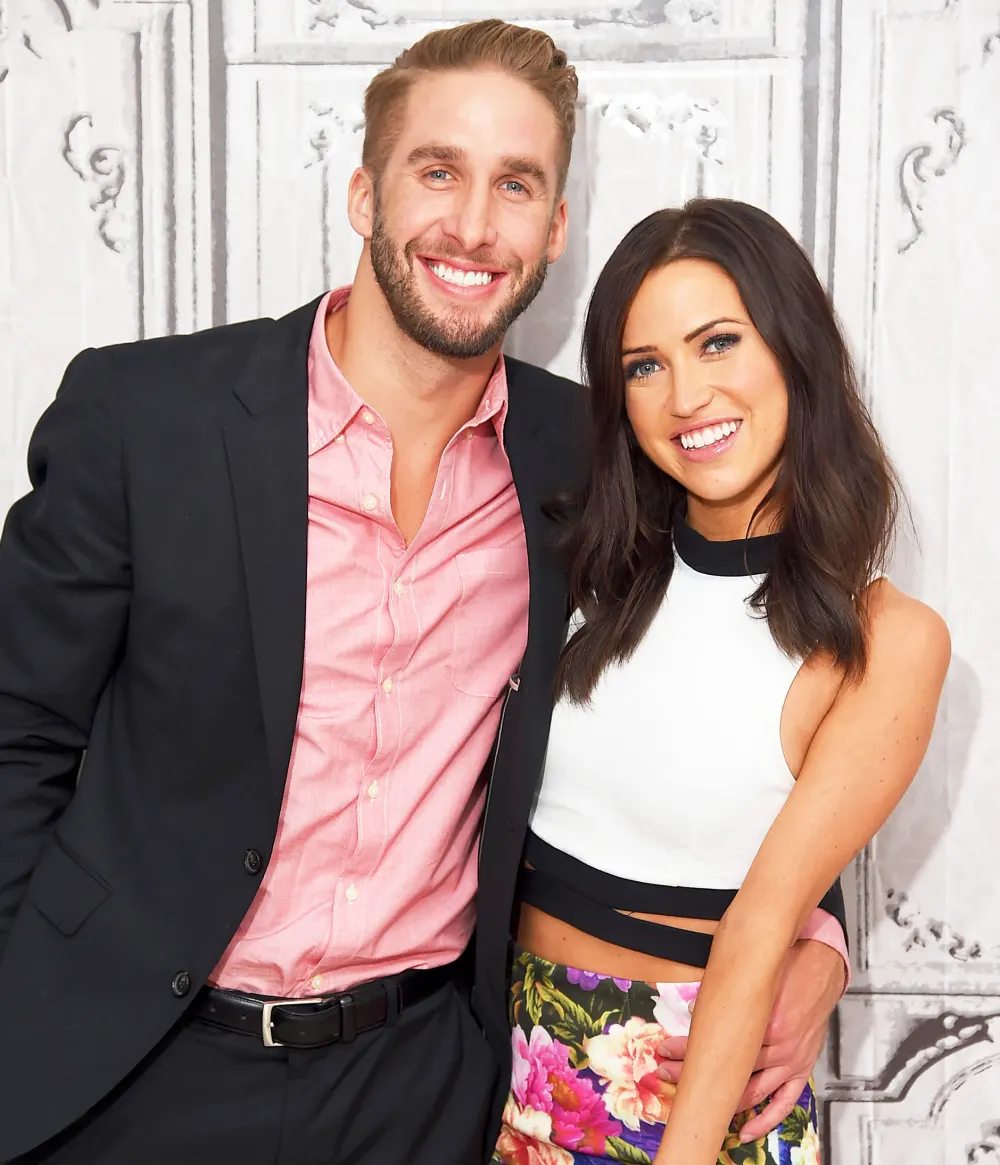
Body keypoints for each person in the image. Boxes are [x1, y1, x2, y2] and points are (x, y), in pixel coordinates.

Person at [0, 16, 847, 1162]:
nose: (473, 224)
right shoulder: (146, 418)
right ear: (364, 194)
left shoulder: (590, 462)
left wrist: (819, 933)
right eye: (438, 171)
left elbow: (739, 676)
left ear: (555, 230)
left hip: (420, 1089)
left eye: (516, 185)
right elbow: (18, 732)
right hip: (134, 1067)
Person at [492, 199, 950, 1165]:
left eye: (717, 343)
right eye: (644, 365)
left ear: (794, 347)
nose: (686, 396)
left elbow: (761, 919)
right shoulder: (587, 566)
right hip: (513, 1091)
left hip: (701, 1113)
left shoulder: (887, 637)